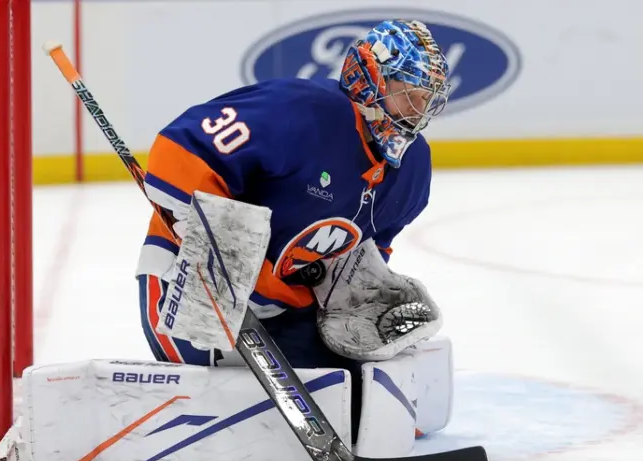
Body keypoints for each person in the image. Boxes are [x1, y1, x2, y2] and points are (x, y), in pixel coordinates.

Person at [136, 20, 450, 389]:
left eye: (426, 98)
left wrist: (360, 292)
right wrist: (211, 240)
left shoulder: (412, 168)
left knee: (351, 393)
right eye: (408, 92)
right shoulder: (299, 112)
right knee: (217, 390)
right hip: (192, 281)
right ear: (370, 77)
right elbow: (180, 150)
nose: (418, 109)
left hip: (287, 303)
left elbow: (370, 251)